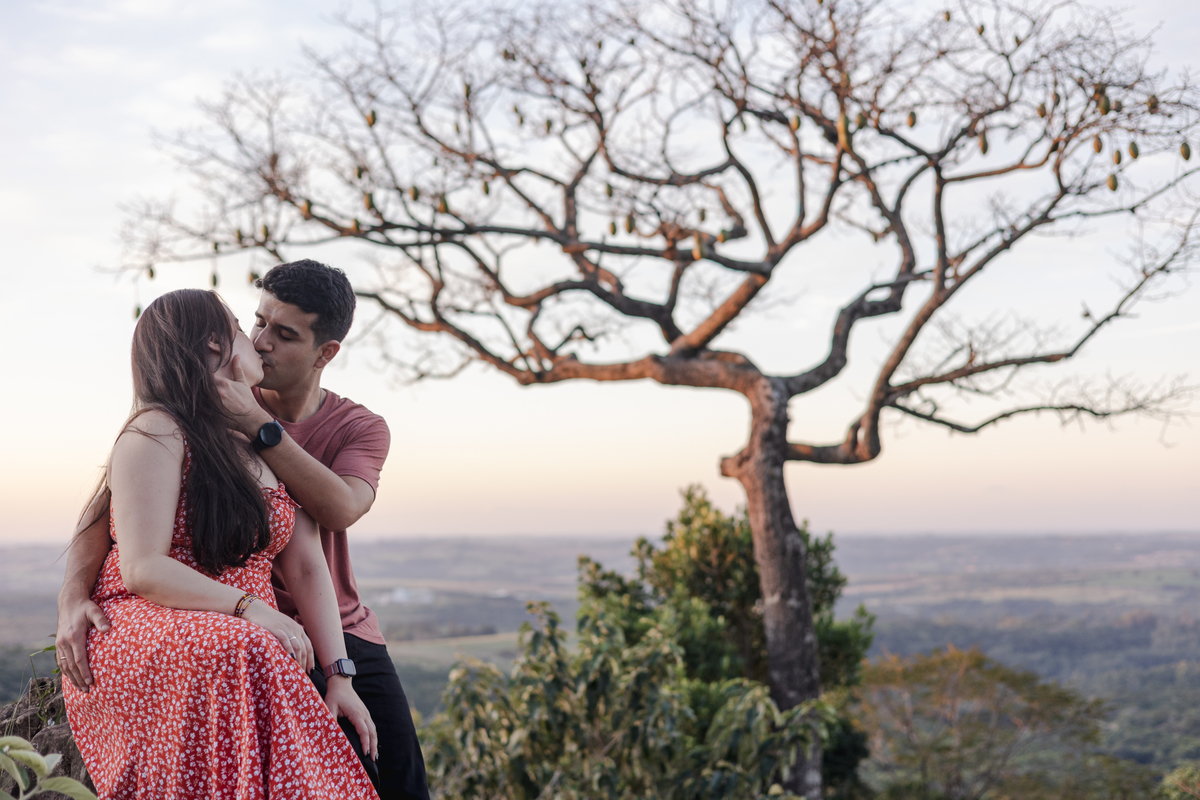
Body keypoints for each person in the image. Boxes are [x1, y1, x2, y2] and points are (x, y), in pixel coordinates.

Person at [58, 260, 430, 800]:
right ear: (214, 347)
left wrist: (261, 430)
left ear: (325, 353)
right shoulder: (173, 420)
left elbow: (332, 522)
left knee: (396, 773)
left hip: (329, 622)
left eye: (284, 334)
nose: (260, 342)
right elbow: (110, 514)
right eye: (254, 323)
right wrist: (72, 594)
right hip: (229, 624)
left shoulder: (351, 427)